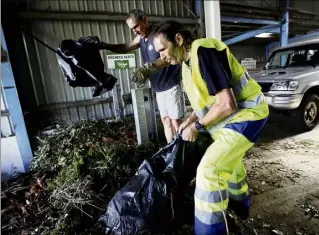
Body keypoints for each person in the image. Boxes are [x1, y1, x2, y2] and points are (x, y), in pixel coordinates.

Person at [151, 20, 269, 235]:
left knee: (209, 171)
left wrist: (196, 126)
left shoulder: (203, 50)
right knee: (230, 162)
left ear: (178, 39)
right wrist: (188, 120)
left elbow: (226, 103)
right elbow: (206, 101)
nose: (162, 57)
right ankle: (240, 205)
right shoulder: (186, 67)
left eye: (162, 50)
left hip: (248, 114)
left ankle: (210, 230)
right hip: (230, 119)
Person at [84, 9, 184, 143]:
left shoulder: (158, 35)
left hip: (171, 85)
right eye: (132, 29)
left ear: (145, 20)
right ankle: (171, 149)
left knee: (176, 122)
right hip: (158, 88)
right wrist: (104, 45)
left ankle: (183, 150)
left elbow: (169, 57)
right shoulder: (141, 38)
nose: (135, 31)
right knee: (166, 121)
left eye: (136, 26)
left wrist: (148, 68)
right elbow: (125, 47)